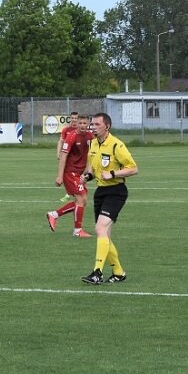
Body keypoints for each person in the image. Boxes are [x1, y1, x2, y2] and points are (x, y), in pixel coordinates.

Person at [80, 112, 138, 285]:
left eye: (97, 124)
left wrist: (112, 173)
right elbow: (92, 169)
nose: (93, 127)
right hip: (101, 192)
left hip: (116, 191)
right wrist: (87, 177)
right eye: (92, 124)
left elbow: (133, 169)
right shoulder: (92, 144)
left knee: (100, 228)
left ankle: (97, 272)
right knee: (103, 233)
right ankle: (118, 272)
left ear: (107, 126)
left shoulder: (116, 145)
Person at [46, 115, 93, 237]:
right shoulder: (71, 136)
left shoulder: (90, 136)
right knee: (80, 200)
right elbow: (63, 156)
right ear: (76, 124)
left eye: (85, 123)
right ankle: (77, 231)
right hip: (70, 172)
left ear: (88, 124)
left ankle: (54, 215)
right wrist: (59, 176)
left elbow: (90, 155)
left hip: (80, 174)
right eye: (80, 123)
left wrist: (88, 171)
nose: (82, 125)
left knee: (82, 201)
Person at [56, 111, 79, 203]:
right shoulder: (66, 130)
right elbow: (61, 141)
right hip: (66, 156)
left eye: (75, 118)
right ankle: (69, 193)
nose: (74, 120)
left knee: (77, 175)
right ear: (70, 118)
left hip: (77, 158)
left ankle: (75, 192)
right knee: (65, 175)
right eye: (72, 118)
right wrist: (58, 153)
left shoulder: (80, 130)